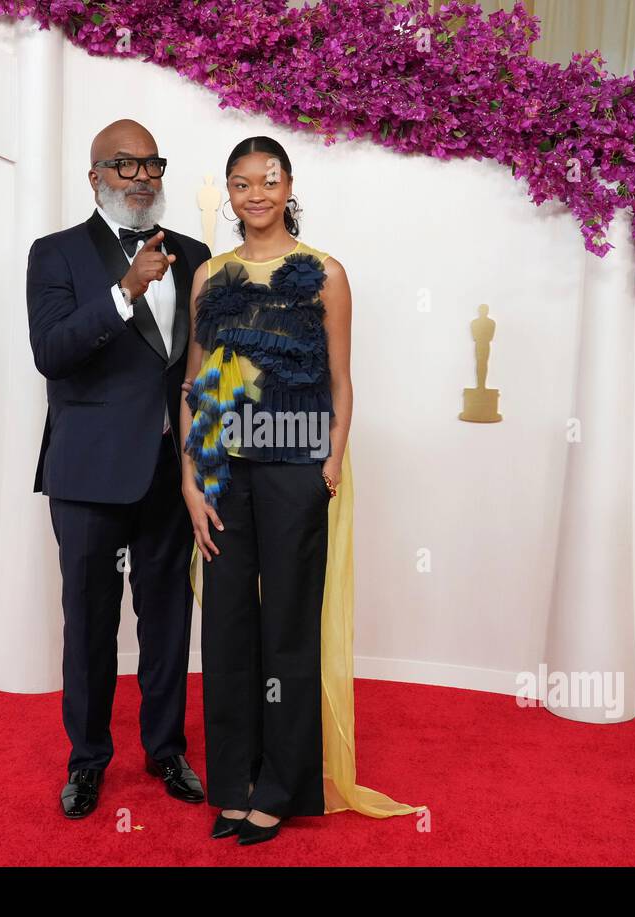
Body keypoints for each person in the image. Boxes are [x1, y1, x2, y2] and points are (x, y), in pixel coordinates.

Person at [180, 136, 424, 845]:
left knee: (287, 628)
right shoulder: (211, 277)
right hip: (224, 468)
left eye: (268, 179)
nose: (255, 193)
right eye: (241, 182)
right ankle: (231, 782)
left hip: (296, 467)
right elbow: (195, 387)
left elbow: (343, 379)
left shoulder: (325, 273)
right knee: (225, 627)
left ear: (289, 186)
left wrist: (332, 461)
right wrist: (193, 482)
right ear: (228, 192)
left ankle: (281, 787)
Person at [27, 119, 211, 819]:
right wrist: (123, 291)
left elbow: (203, 364)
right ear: (96, 176)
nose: (142, 178)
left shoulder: (194, 255)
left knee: (167, 619)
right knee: (92, 622)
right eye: (125, 165)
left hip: (172, 472)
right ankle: (87, 760)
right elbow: (52, 350)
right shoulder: (56, 254)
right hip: (88, 474)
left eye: (151, 165)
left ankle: (166, 750)